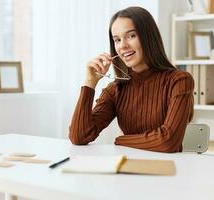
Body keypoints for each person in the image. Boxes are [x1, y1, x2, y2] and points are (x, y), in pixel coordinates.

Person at [69, 6, 194, 153]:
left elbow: (168, 141)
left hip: (168, 170)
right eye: (117, 40)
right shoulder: (115, 89)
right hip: (128, 169)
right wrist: (90, 83)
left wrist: (121, 140)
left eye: (131, 36)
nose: (122, 46)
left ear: (148, 37)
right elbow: (79, 136)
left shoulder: (179, 81)